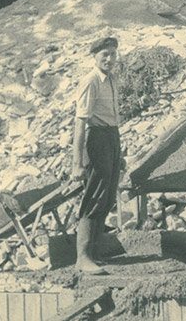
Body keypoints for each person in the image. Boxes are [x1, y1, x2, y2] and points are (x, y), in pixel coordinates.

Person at [72, 36, 122, 275]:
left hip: (112, 137)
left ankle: (95, 252)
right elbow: (80, 124)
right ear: (95, 56)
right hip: (97, 139)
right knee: (94, 196)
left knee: (108, 196)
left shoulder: (111, 80)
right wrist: (77, 162)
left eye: (113, 54)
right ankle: (82, 258)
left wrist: (118, 151)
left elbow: (112, 117)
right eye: (105, 54)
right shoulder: (90, 81)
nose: (110, 59)